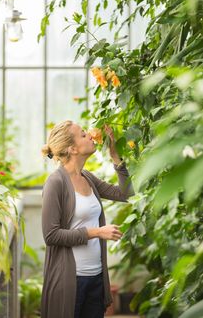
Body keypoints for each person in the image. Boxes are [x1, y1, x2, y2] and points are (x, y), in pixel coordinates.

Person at [40, 120, 134, 318]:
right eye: (83, 135)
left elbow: (126, 195)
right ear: (72, 148)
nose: (90, 135)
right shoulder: (55, 182)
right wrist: (98, 232)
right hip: (70, 281)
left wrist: (115, 157)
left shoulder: (87, 177)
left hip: (96, 278)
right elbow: (51, 235)